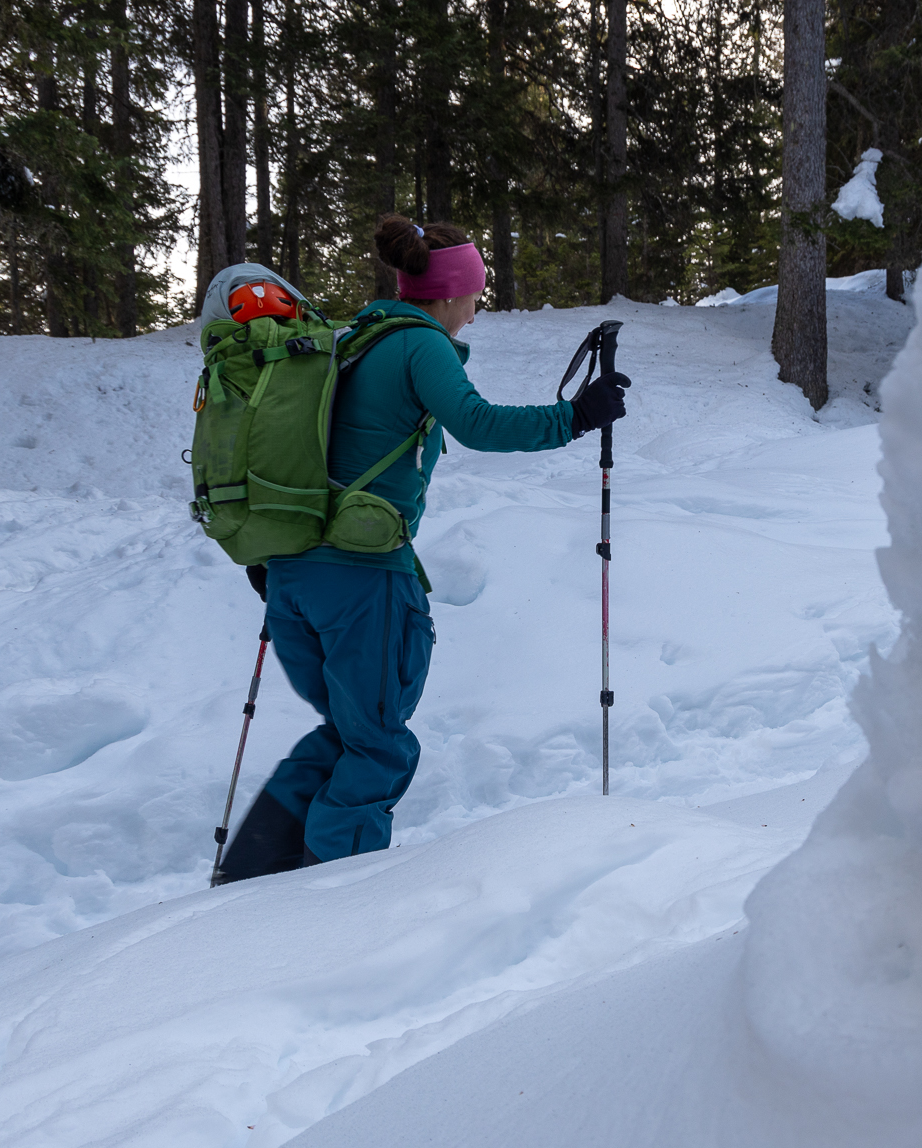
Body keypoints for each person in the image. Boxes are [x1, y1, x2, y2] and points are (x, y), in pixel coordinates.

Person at [214, 217, 631, 881]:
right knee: (376, 749)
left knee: (349, 737)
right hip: (360, 580)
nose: (477, 308)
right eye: (476, 293)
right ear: (449, 294)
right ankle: (322, 908)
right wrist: (577, 417)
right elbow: (479, 424)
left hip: (290, 573)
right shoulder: (418, 343)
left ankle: (251, 879)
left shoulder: (353, 339)